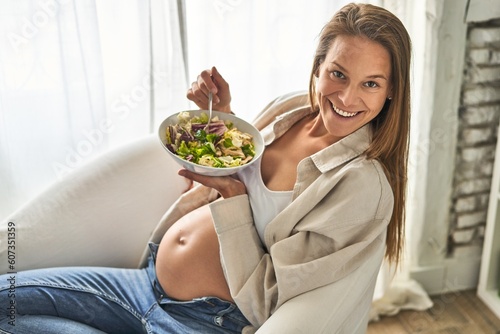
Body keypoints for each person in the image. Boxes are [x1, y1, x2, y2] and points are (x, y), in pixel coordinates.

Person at [0, 3, 411, 333]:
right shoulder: (291, 111)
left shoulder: (361, 187)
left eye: (370, 83)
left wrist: (232, 198)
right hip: (146, 281)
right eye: (338, 74)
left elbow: (272, 297)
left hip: (206, 320)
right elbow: (239, 164)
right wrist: (223, 115)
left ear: (391, 90)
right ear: (318, 68)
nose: (346, 96)